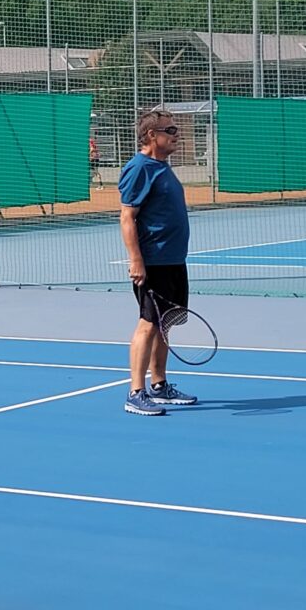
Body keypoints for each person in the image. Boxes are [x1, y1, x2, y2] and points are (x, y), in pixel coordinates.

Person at [118, 107, 198, 416]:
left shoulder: (162, 166)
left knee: (166, 323)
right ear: (152, 135)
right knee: (149, 323)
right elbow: (127, 217)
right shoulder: (139, 168)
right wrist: (136, 260)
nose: (177, 135)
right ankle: (136, 392)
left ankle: (159, 385)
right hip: (153, 262)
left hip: (173, 260)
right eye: (171, 130)